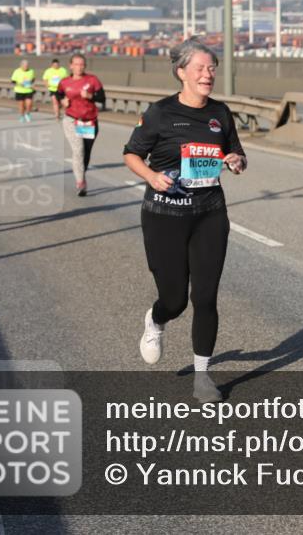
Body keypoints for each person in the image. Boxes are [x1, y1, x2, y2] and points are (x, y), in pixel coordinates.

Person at [123, 37, 246, 403]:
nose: (208, 75)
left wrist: (236, 161)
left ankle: (203, 376)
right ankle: (156, 320)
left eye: (212, 69)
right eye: (200, 69)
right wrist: (151, 176)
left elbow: (235, 152)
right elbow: (131, 154)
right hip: (165, 215)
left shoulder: (221, 113)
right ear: (181, 73)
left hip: (209, 212)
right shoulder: (160, 113)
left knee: (205, 296)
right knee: (175, 300)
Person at [56, 54, 105, 196]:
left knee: (86, 153)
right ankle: (80, 182)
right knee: (78, 150)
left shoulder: (92, 80)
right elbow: (57, 93)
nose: (79, 67)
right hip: (71, 119)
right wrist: (62, 101)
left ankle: (81, 175)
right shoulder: (65, 82)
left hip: (89, 120)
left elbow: (102, 97)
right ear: (71, 66)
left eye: (82, 64)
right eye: (76, 64)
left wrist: (90, 96)